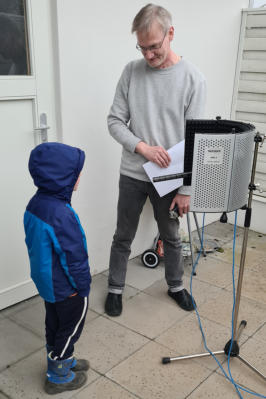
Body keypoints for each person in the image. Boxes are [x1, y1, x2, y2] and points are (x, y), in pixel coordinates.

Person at [105, 4, 206, 317]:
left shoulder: (193, 80)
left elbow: (195, 141)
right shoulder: (131, 72)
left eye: (154, 47)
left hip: (171, 179)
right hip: (133, 172)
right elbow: (114, 121)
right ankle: (115, 289)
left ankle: (175, 285)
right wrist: (142, 147)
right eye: (142, 47)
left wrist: (186, 190)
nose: (148, 55)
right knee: (123, 235)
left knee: (172, 236)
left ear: (170, 34)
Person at [24, 142, 91, 395]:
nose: (79, 176)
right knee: (70, 327)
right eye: (76, 172)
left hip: (47, 282)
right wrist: (82, 287)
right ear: (62, 176)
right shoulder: (60, 213)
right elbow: (73, 257)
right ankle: (58, 374)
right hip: (66, 286)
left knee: (54, 322)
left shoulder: (36, 203)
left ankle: (64, 358)